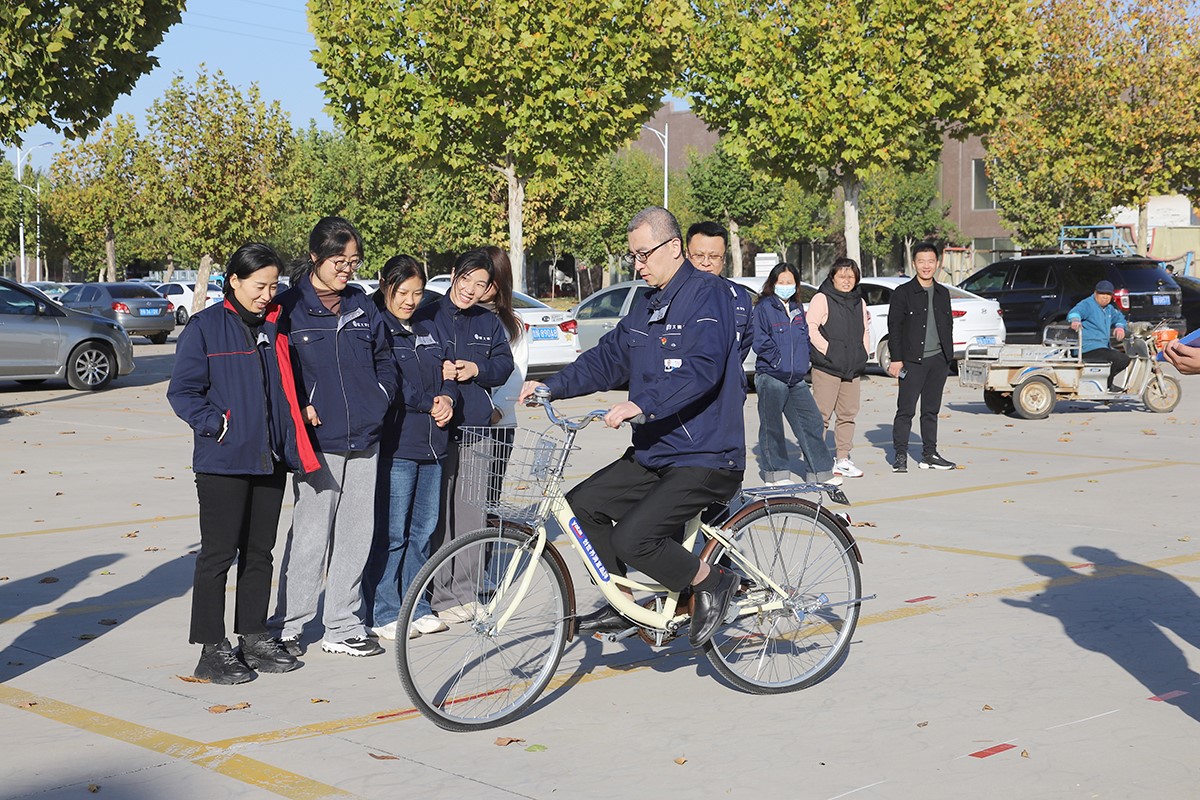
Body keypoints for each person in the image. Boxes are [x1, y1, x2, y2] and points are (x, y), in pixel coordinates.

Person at [519, 206, 746, 648]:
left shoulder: (708, 295)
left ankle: (713, 581)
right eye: (633, 256)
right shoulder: (648, 305)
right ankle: (622, 603)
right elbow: (608, 359)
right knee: (581, 509)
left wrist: (642, 403)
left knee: (633, 538)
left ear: (674, 247)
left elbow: (701, 369)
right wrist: (553, 386)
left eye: (644, 254)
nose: (637, 264)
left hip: (705, 454)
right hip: (656, 452)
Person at [167, 243, 321, 684]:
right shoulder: (205, 328)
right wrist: (217, 425)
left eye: (273, 286)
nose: (267, 295)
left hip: (269, 457)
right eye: (259, 286)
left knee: (259, 553)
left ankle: (253, 636)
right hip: (223, 460)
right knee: (218, 555)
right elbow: (183, 392)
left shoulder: (275, 326)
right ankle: (211, 648)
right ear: (233, 281)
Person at [269, 217, 398, 658]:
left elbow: (385, 360)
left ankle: (342, 625)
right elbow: (277, 372)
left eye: (354, 261)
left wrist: (379, 398)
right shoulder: (288, 308)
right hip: (318, 441)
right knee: (310, 535)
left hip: (365, 435)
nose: (347, 269)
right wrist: (300, 409)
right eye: (339, 261)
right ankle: (288, 625)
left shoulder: (362, 305)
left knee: (356, 534)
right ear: (315, 257)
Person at [414, 248, 516, 623]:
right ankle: (440, 594)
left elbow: (504, 365)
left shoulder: (487, 322)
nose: (471, 289)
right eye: (466, 279)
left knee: (471, 514)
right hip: (437, 428)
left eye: (481, 284)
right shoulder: (426, 315)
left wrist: (476, 368)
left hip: (476, 429)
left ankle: (465, 593)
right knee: (439, 515)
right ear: (454, 273)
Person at [363, 256, 456, 641]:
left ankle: (416, 606)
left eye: (417, 293)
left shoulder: (428, 327)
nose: (410, 301)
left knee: (423, 532)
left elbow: (448, 372)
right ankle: (382, 610)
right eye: (402, 292)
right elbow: (390, 383)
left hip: (434, 446)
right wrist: (427, 402)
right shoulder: (377, 328)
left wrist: (448, 397)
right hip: (398, 445)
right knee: (393, 534)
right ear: (385, 285)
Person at [752, 262, 841, 486]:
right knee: (772, 426)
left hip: (796, 378)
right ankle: (776, 474)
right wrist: (777, 361)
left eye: (789, 282)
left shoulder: (797, 307)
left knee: (812, 422)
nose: (785, 286)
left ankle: (820, 472)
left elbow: (804, 338)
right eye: (781, 282)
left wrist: (803, 361)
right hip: (772, 376)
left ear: (796, 285)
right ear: (773, 284)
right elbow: (759, 340)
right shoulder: (764, 307)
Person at [888, 241, 955, 473]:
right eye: (921, 261)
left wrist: (948, 356)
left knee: (931, 410)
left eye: (930, 261)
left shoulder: (943, 293)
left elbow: (948, 324)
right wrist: (896, 359)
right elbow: (894, 328)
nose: (926, 266)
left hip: (939, 360)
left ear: (937, 263)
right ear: (914, 263)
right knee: (906, 410)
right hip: (912, 361)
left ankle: (929, 454)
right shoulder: (903, 293)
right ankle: (900, 455)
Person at [808, 257, 871, 478]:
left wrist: (864, 353)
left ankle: (843, 458)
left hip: (852, 368)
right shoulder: (822, 298)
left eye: (851, 276)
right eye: (842, 276)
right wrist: (829, 351)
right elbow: (811, 328)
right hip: (827, 367)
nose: (846, 280)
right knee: (821, 416)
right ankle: (815, 460)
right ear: (832, 277)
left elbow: (865, 329)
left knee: (847, 414)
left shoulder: (859, 301)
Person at [686, 221, 753, 363]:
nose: (706, 263)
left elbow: (744, 345)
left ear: (724, 259)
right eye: (699, 255)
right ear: (687, 254)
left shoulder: (740, 297)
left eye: (714, 256)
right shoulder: (671, 294)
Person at [1068, 280, 1128, 391]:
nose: (1105, 297)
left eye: (1108, 294)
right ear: (1095, 293)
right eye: (1102, 293)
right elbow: (1075, 312)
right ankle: (1106, 385)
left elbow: (1120, 318)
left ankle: (1104, 384)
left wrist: (1120, 327)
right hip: (1087, 348)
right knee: (1121, 359)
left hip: (1102, 347)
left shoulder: (1109, 309)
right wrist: (1075, 320)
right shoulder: (1088, 304)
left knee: (1123, 358)